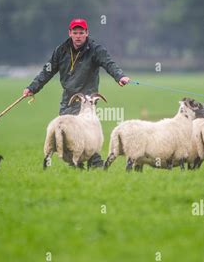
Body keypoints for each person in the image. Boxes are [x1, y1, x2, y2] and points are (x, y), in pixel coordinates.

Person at [23, 18, 130, 168]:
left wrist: (120, 76)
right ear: (70, 33)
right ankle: (76, 169)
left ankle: (95, 166)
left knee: (87, 136)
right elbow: (46, 71)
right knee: (65, 136)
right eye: (75, 32)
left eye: (81, 32)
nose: (78, 36)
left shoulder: (95, 49)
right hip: (68, 98)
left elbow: (109, 63)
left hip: (86, 100)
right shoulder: (61, 51)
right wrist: (32, 88)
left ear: (87, 33)